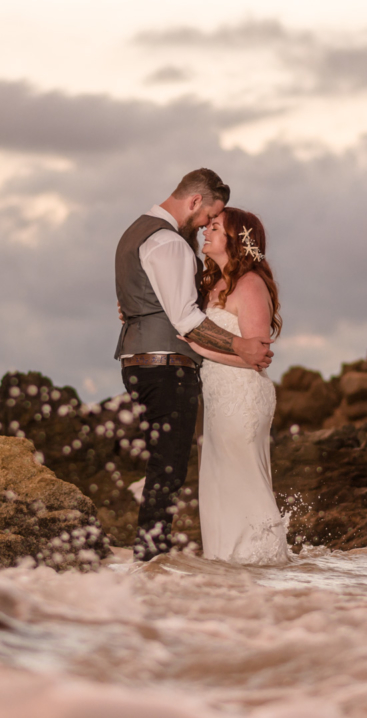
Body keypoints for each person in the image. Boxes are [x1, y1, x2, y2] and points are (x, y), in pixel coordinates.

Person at [114, 169, 273, 562]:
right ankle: (150, 558)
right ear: (196, 202)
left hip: (151, 363)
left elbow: (157, 302)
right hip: (166, 366)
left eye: (215, 226)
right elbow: (185, 320)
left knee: (168, 466)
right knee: (168, 467)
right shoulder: (168, 243)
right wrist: (239, 345)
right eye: (208, 217)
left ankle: (156, 559)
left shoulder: (137, 232)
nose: (204, 226)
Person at [185, 207, 290, 565]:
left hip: (242, 397)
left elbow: (257, 354)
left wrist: (197, 347)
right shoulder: (210, 284)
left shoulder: (250, 284)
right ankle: (228, 567)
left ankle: (262, 564)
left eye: (214, 227)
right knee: (218, 482)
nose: (206, 231)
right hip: (217, 398)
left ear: (237, 239)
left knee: (241, 480)